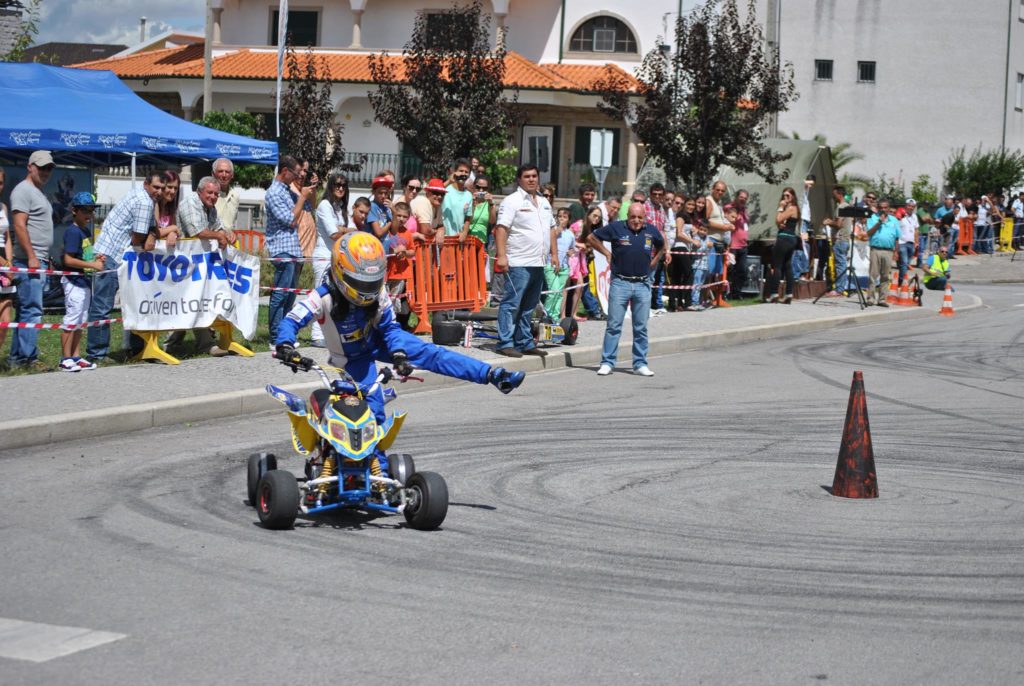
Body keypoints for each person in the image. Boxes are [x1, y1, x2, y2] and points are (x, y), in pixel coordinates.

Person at [274, 233, 525, 432]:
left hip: (382, 338)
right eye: (362, 283)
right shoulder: (322, 297)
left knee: (432, 353)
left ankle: (493, 375)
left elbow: (391, 328)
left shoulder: (379, 292)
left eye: (372, 283)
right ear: (341, 272)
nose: (368, 290)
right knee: (373, 411)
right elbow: (291, 321)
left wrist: (400, 354)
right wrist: (286, 345)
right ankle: (373, 469)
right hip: (352, 359)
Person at [87, 170, 163, 362]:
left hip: (113, 252)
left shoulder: (139, 194)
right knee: (103, 306)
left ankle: (134, 349)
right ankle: (97, 354)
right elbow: (137, 237)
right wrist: (151, 238)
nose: (159, 191)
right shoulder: (145, 201)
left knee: (136, 303)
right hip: (113, 255)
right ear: (147, 184)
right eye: (156, 187)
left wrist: (153, 234)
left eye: (162, 188)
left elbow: (149, 229)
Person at [588, 202, 667, 376]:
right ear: (627, 216)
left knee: (641, 326)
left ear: (645, 217)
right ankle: (608, 362)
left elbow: (662, 244)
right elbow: (592, 238)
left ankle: (640, 364)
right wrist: (606, 253)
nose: (636, 221)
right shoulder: (616, 228)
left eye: (640, 217)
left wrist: (655, 260)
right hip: (620, 283)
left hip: (643, 284)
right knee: (614, 325)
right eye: (633, 217)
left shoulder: (651, 230)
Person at [494, 164, 553, 358]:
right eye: (527, 176)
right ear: (519, 180)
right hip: (519, 261)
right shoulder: (512, 201)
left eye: (534, 176)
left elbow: (551, 229)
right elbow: (501, 228)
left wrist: (554, 254)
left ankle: (524, 342)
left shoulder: (544, 202)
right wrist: (502, 256)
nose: (531, 179)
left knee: (529, 305)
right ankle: (505, 342)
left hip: (538, 261)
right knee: (512, 303)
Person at [7, 151, 55, 367]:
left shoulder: (37, 191)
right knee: (32, 310)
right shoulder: (23, 191)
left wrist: (44, 257)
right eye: (41, 167)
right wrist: (32, 257)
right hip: (28, 261)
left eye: (48, 168)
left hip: (38, 260)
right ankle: (27, 358)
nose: (45, 172)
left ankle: (18, 358)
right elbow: (19, 224)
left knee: (27, 310)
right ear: (30, 167)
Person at [264, 155, 317, 343]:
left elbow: (308, 205)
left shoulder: (287, 190)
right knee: (280, 293)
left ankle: (285, 333)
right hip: (281, 248)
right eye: (295, 172)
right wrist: (302, 196)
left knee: (290, 295)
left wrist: (311, 188)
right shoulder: (273, 193)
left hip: (294, 248)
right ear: (285, 171)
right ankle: (275, 336)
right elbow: (291, 219)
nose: (298, 176)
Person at [59, 192, 104, 372]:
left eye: (91, 211)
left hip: (83, 281)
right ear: (74, 211)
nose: (89, 214)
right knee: (71, 319)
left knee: (81, 320)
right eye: (85, 210)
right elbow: (68, 260)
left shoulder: (85, 231)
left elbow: (83, 254)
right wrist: (92, 264)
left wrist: (95, 257)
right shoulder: (72, 232)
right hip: (73, 281)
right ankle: (65, 358)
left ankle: (76, 356)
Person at [311, 173, 351, 347]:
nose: (340, 188)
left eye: (343, 185)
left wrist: (343, 228)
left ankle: (328, 333)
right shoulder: (325, 205)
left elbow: (339, 230)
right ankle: (315, 334)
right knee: (320, 297)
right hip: (323, 257)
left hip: (335, 257)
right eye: (337, 185)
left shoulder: (339, 206)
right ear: (331, 186)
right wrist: (348, 230)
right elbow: (333, 233)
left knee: (334, 299)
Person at [383, 201, 419, 331]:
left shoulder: (408, 233)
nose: (401, 219)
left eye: (404, 216)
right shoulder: (390, 231)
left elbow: (412, 251)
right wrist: (394, 250)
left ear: (408, 218)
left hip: (401, 274)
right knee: (387, 300)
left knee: (397, 301)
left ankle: (396, 325)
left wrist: (405, 253)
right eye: (398, 215)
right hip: (389, 272)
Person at [565, 206, 605, 321]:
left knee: (579, 287)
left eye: (599, 217)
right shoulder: (579, 225)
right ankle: (565, 314)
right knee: (569, 287)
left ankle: (573, 314)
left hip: (581, 260)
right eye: (594, 215)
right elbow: (567, 236)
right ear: (588, 215)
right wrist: (578, 245)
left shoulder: (593, 229)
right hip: (571, 258)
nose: (596, 219)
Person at [864, 199, 900, 307]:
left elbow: (897, 237)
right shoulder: (872, 218)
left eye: (885, 208)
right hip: (876, 249)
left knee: (885, 276)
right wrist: (879, 222)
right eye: (881, 208)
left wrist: (896, 251)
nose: (883, 210)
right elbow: (869, 233)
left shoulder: (894, 220)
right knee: (873, 275)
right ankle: (870, 298)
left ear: (888, 209)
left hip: (888, 251)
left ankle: (882, 299)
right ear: (878, 208)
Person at [767, 187, 799, 304]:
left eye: (788, 196)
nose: (785, 198)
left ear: (793, 197)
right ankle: (789, 294)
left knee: (777, 266)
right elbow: (781, 222)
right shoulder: (793, 209)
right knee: (787, 265)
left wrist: (780, 207)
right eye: (784, 196)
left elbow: (778, 219)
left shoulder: (791, 208)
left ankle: (774, 293)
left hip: (784, 239)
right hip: (791, 239)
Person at [543, 208, 574, 319]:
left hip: (564, 267)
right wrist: (559, 227)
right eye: (559, 216)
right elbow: (552, 238)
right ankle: (545, 315)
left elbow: (571, 247)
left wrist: (571, 251)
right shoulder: (554, 230)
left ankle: (555, 317)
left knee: (560, 293)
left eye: (564, 217)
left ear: (568, 220)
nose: (561, 219)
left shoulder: (570, 234)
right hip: (551, 265)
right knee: (553, 291)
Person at [669, 196, 699, 312]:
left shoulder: (688, 217)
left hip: (683, 248)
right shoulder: (681, 216)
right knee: (689, 274)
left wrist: (694, 232)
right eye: (689, 204)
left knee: (677, 277)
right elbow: (679, 234)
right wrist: (693, 241)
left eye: (693, 205)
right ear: (684, 205)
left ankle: (675, 304)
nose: (691, 207)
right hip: (680, 247)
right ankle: (688, 302)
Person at [823, 185, 852, 297]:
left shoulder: (842, 207)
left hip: (840, 240)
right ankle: (840, 287)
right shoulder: (846, 206)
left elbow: (839, 224)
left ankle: (839, 289)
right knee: (841, 264)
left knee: (840, 265)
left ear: (839, 194)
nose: (833, 196)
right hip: (844, 240)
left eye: (834, 194)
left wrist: (829, 222)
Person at [644, 183, 669, 313]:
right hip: (646, 250)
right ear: (650, 194)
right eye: (654, 194)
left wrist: (667, 251)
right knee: (646, 279)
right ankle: (644, 307)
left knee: (653, 279)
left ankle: (650, 306)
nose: (657, 196)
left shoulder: (661, 210)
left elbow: (664, 232)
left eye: (660, 194)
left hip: (658, 252)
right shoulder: (644, 207)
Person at [145, 169, 181, 250]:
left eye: (176, 188)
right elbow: (156, 232)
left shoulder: (172, 208)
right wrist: (173, 228)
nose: (173, 191)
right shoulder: (155, 204)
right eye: (170, 187)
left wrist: (172, 233)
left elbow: (175, 231)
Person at [0, 169, 13, 364]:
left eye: (1, 182)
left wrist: (9, 264)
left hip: (4, 262)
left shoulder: (3, 206)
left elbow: (8, 237)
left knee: (5, 319)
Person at [727, 189, 750, 298]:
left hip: (743, 245)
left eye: (745, 198)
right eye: (741, 197)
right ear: (736, 197)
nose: (743, 200)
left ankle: (736, 292)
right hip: (732, 245)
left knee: (743, 270)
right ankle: (727, 292)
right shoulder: (729, 208)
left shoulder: (744, 210)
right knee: (730, 270)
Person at [442, 159, 473, 238]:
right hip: (443, 237)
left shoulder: (469, 195)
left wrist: (464, 233)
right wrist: (449, 181)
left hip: (457, 238)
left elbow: (467, 218)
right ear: (454, 172)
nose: (463, 174)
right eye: (461, 171)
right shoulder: (445, 189)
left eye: (466, 172)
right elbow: (434, 191)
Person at [689, 219, 714, 312]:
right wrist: (707, 246)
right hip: (697, 265)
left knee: (700, 285)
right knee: (696, 284)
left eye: (705, 230)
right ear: (698, 228)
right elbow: (697, 251)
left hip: (704, 265)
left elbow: (707, 252)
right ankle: (694, 302)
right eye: (701, 229)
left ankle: (698, 302)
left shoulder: (707, 238)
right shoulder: (696, 238)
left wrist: (709, 246)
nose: (703, 232)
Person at [463, 173, 495, 245]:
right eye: (478, 187)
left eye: (484, 188)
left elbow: (492, 221)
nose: (481, 190)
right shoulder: (468, 200)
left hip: (482, 242)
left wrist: (491, 203)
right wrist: (472, 204)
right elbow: (467, 220)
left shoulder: (489, 204)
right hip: (467, 241)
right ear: (473, 186)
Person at [212, 158, 240, 230]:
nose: (224, 175)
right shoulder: (208, 196)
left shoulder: (235, 197)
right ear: (213, 174)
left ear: (232, 175)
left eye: (227, 172)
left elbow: (231, 224)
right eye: (220, 171)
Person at [897, 198, 919, 285]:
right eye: (909, 206)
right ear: (905, 206)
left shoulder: (914, 217)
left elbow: (916, 229)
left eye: (913, 206)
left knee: (907, 263)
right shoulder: (901, 215)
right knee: (904, 263)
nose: (911, 208)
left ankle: (900, 279)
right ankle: (902, 281)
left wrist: (916, 241)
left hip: (911, 242)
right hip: (902, 242)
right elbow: (896, 227)